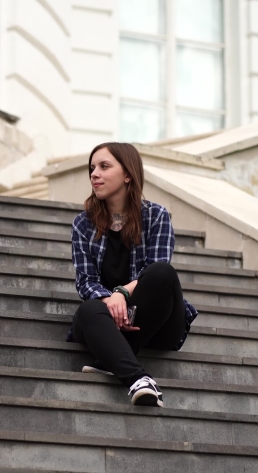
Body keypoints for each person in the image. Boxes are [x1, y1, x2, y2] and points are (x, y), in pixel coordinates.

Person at [67, 142, 198, 407]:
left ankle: (110, 358)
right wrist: (111, 303)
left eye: (104, 166)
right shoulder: (83, 224)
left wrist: (122, 294)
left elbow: (154, 269)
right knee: (88, 309)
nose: (94, 174)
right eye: (92, 168)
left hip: (153, 320)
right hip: (105, 321)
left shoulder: (156, 216)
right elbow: (86, 282)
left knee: (163, 273)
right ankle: (138, 379)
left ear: (128, 174)